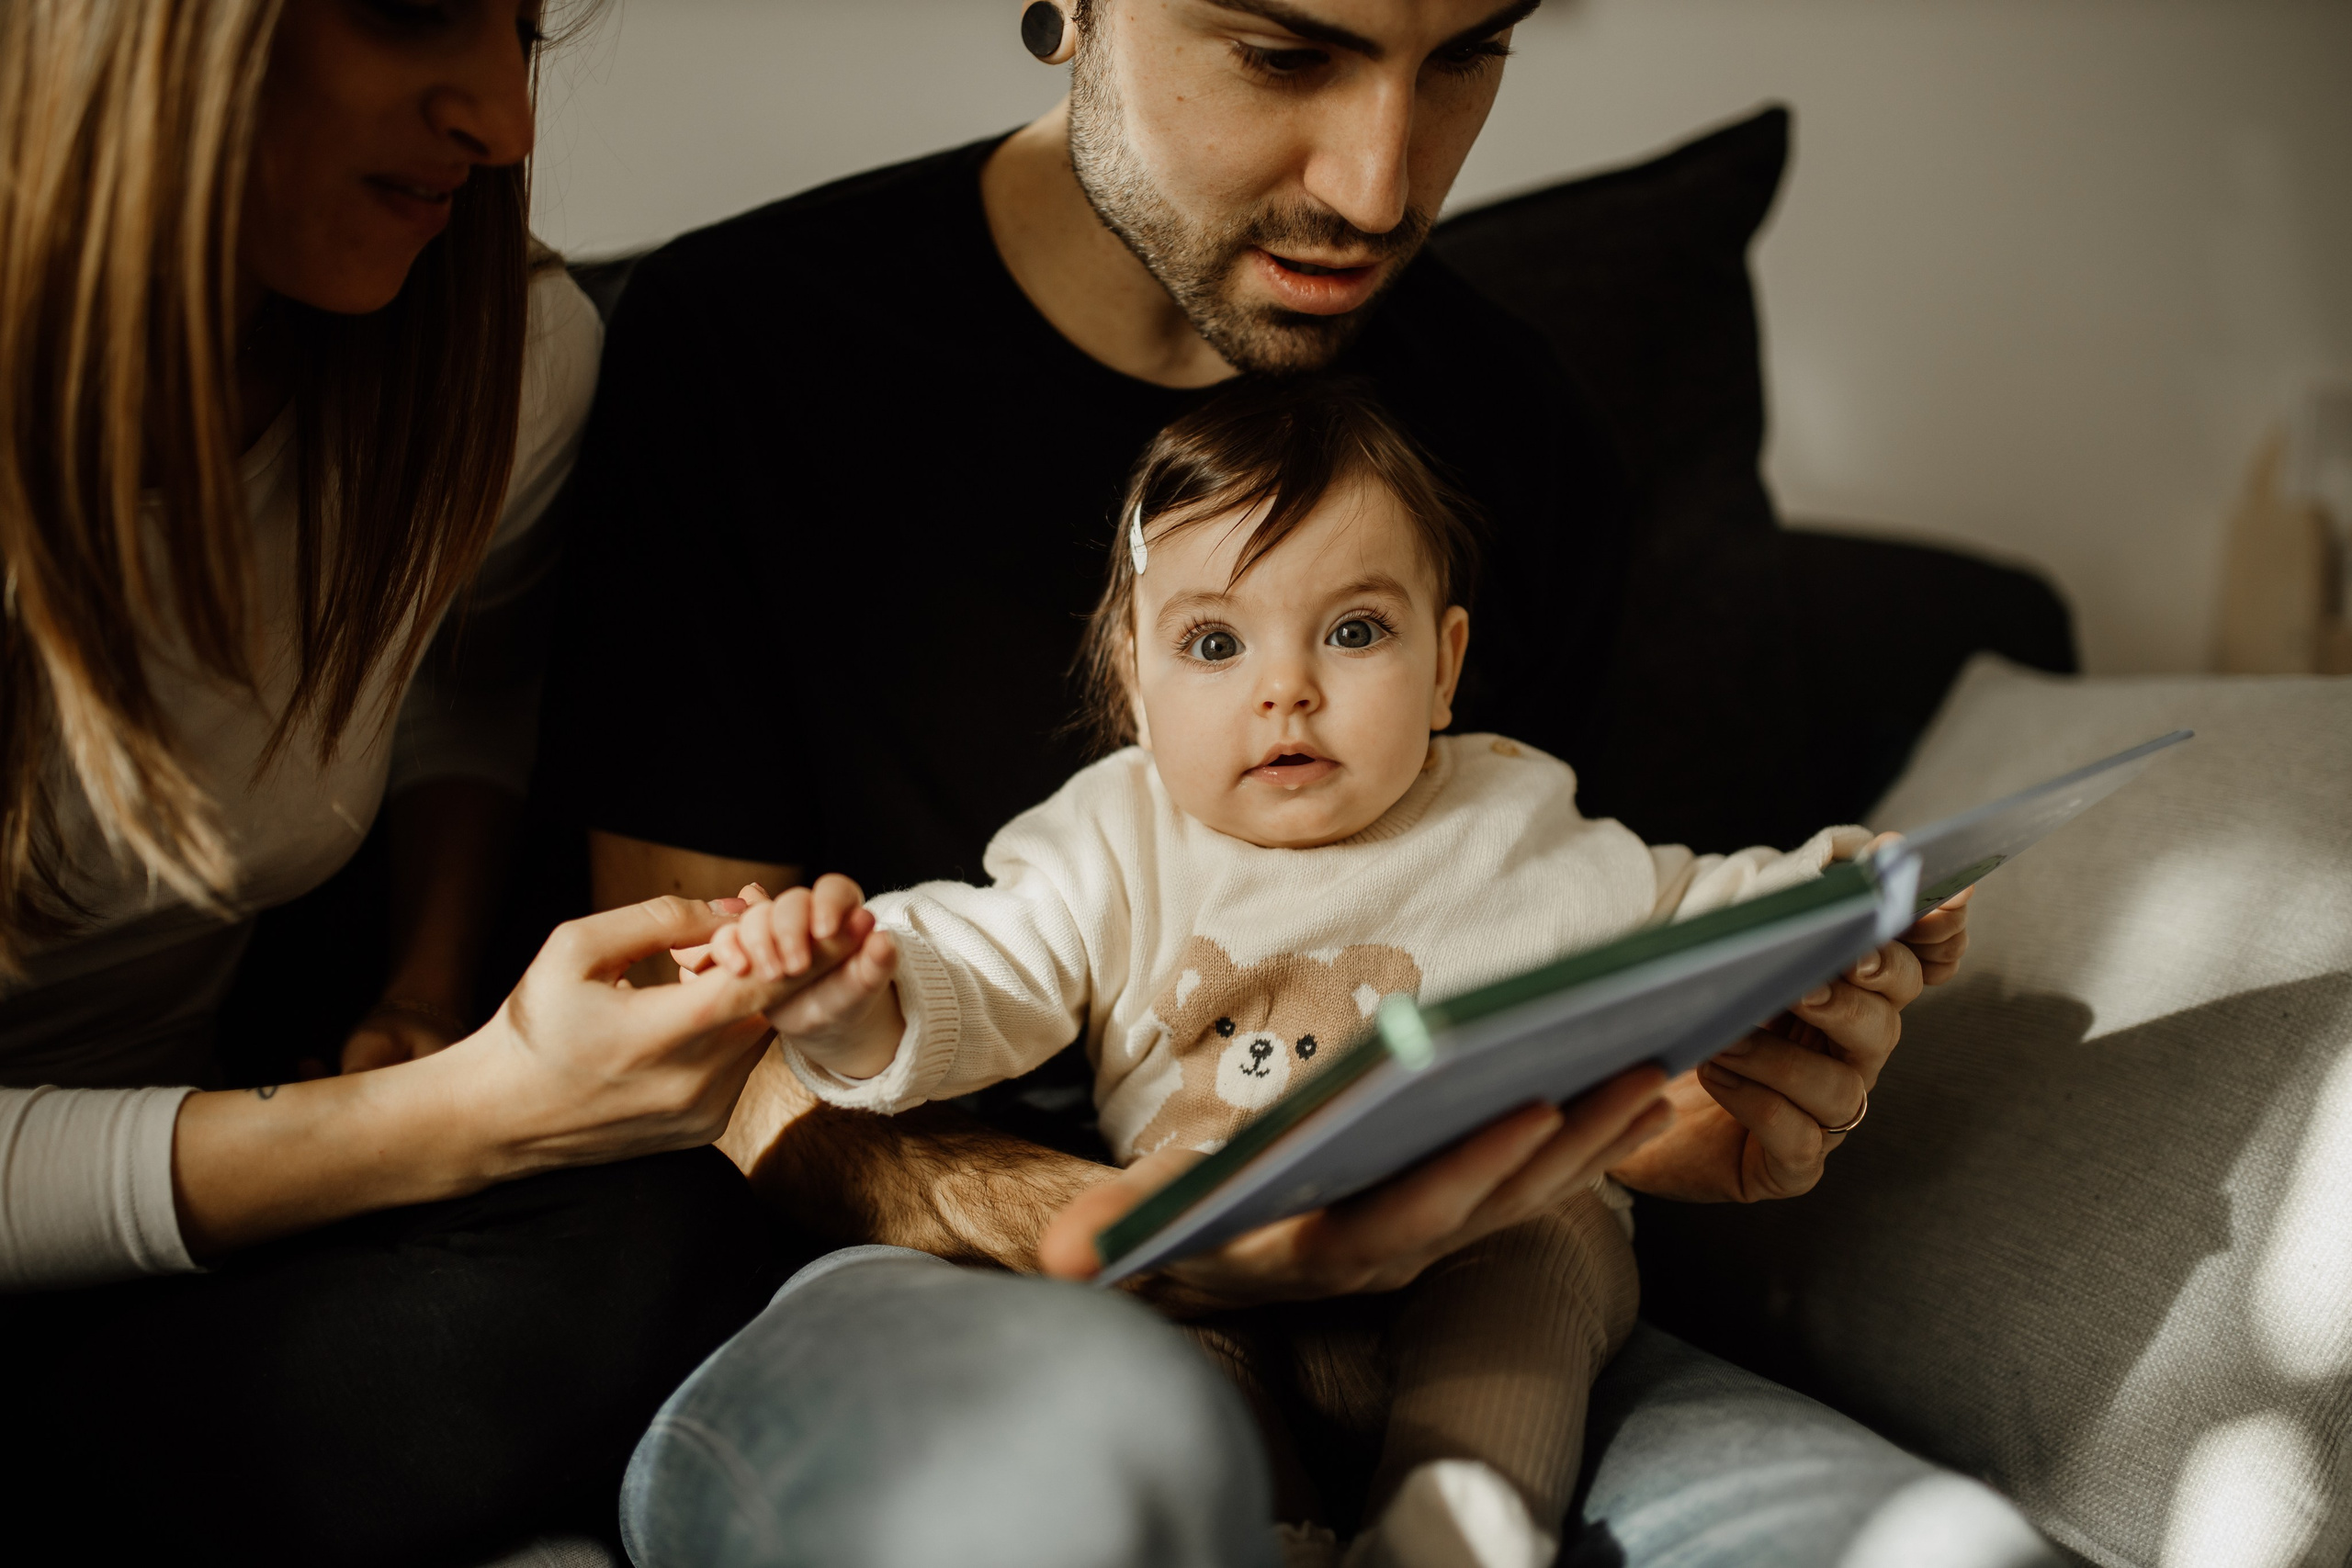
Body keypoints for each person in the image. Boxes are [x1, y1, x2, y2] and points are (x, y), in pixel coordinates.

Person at [559, 6, 2050, 1565]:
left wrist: (1708, 1102)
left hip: (1474, 1278)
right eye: (1286, 53)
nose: (1381, 184)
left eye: (1467, 53)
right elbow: (693, 1028)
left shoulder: (1518, 433)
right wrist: (1118, 1236)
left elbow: (1569, 933)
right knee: (1102, 1486)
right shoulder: (744, 343)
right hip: (967, 1284)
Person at [688, 378, 1917, 1568]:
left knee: (1546, 1249)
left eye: (1354, 630)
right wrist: (858, 1001)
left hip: (1483, 1232)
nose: (1287, 688)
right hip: (1221, 1267)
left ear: (1445, 667)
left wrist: (1851, 900)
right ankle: (1265, 1530)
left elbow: (1694, 910)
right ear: (1133, 680)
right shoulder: (1113, 837)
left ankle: (1461, 1519)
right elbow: (983, 962)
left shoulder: (1513, 817)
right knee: (1148, 1329)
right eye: (1215, 642)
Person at [0, 4, 886, 1562]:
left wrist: (428, 990)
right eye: (410, 11)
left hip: (204, 1169)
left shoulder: (500, 352)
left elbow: (462, 675)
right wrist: (456, 1118)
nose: (506, 121)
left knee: (662, 1234)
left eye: (522, 33)